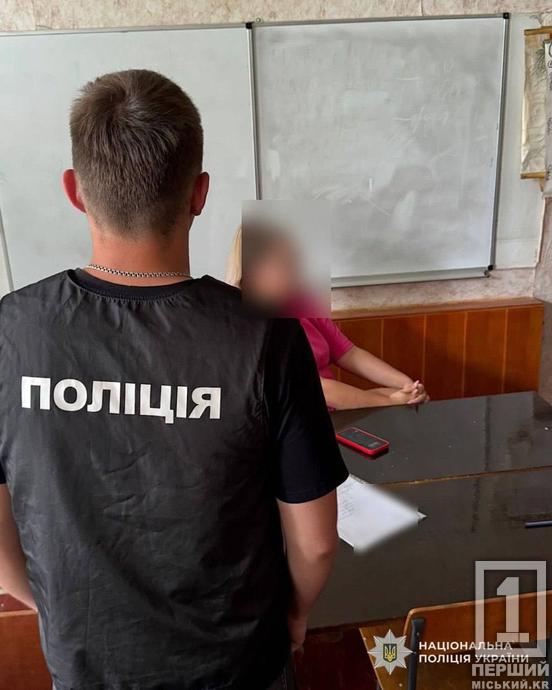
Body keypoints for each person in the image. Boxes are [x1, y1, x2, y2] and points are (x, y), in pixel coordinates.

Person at [0, 70, 348, 690]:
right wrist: (293, 617)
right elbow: (316, 542)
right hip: (239, 669)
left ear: (75, 191)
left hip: (89, 667)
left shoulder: (11, 329)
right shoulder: (265, 335)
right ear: (200, 193)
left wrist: (57, 609)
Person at [227, 225, 429, 410]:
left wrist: (408, 385)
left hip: (331, 413)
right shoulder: (247, 322)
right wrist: (391, 401)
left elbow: (350, 354)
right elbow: (319, 389)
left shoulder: (300, 303)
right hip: (298, 420)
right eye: (284, 264)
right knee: (394, 402)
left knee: (405, 398)